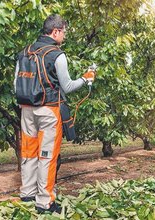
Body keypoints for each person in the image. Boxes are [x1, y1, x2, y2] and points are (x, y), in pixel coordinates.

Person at [14, 14, 95, 214]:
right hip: (49, 110)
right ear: (56, 31)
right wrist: (86, 78)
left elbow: (16, 84)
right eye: (64, 32)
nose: (64, 36)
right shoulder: (57, 54)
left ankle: (27, 194)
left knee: (28, 151)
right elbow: (66, 87)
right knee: (47, 156)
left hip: (26, 110)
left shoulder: (24, 52)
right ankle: (45, 202)